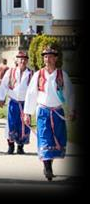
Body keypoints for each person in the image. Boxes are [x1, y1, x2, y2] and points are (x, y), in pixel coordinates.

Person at [24, 45, 76, 181]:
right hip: (43, 112)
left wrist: (71, 109)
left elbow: (69, 93)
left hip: (57, 112)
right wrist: (27, 113)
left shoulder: (62, 75)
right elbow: (31, 94)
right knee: (44, 138)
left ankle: (49, 164)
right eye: (46, 56)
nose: (48, 59)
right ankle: (47, 168)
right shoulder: (38, 75)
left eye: (51, 56)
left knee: (56, 140)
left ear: (56, 58)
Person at [0, 51, 33, 155]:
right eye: (20, 59)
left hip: (25, 104)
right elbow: (4, 85)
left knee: (24, 125)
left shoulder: (31, 74)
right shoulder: (11, 72)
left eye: (25, 59)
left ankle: (20, 147)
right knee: (11, 124)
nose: (22, 61)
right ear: (17, 60)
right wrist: (1, 98)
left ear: (27, 61)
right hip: (13, 103)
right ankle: (11, 147)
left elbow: (33, 90)